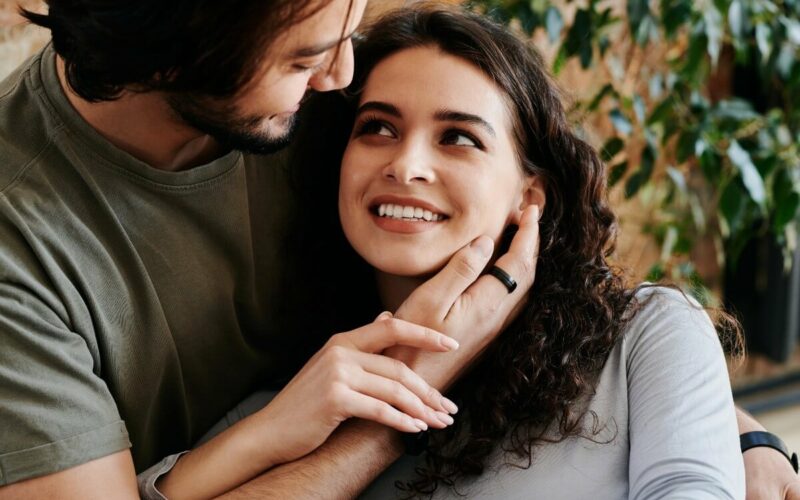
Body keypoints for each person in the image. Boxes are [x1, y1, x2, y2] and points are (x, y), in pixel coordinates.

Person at [0, 1, 797, 499]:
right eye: (310, 58)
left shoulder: (308, 87)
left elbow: (635, 340)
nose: (338, 76)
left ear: (534, 190)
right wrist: (393, 405)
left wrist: (733, 431)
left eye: (457, 138)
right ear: (189, 45)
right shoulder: (22, 241)